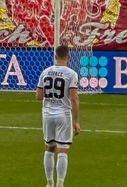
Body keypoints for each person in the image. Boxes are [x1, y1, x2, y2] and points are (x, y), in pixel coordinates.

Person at [36, 45, 80, 187]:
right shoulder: (71, 74)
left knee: (49, 148)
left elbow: (38, 96)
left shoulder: (45, 72)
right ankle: (60, 184)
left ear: (55, 57)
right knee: (63, 150)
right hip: (63, 114)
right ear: (68, 57)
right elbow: (74, 99)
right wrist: (77, 121)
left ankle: (49, 183)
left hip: (47, 114)